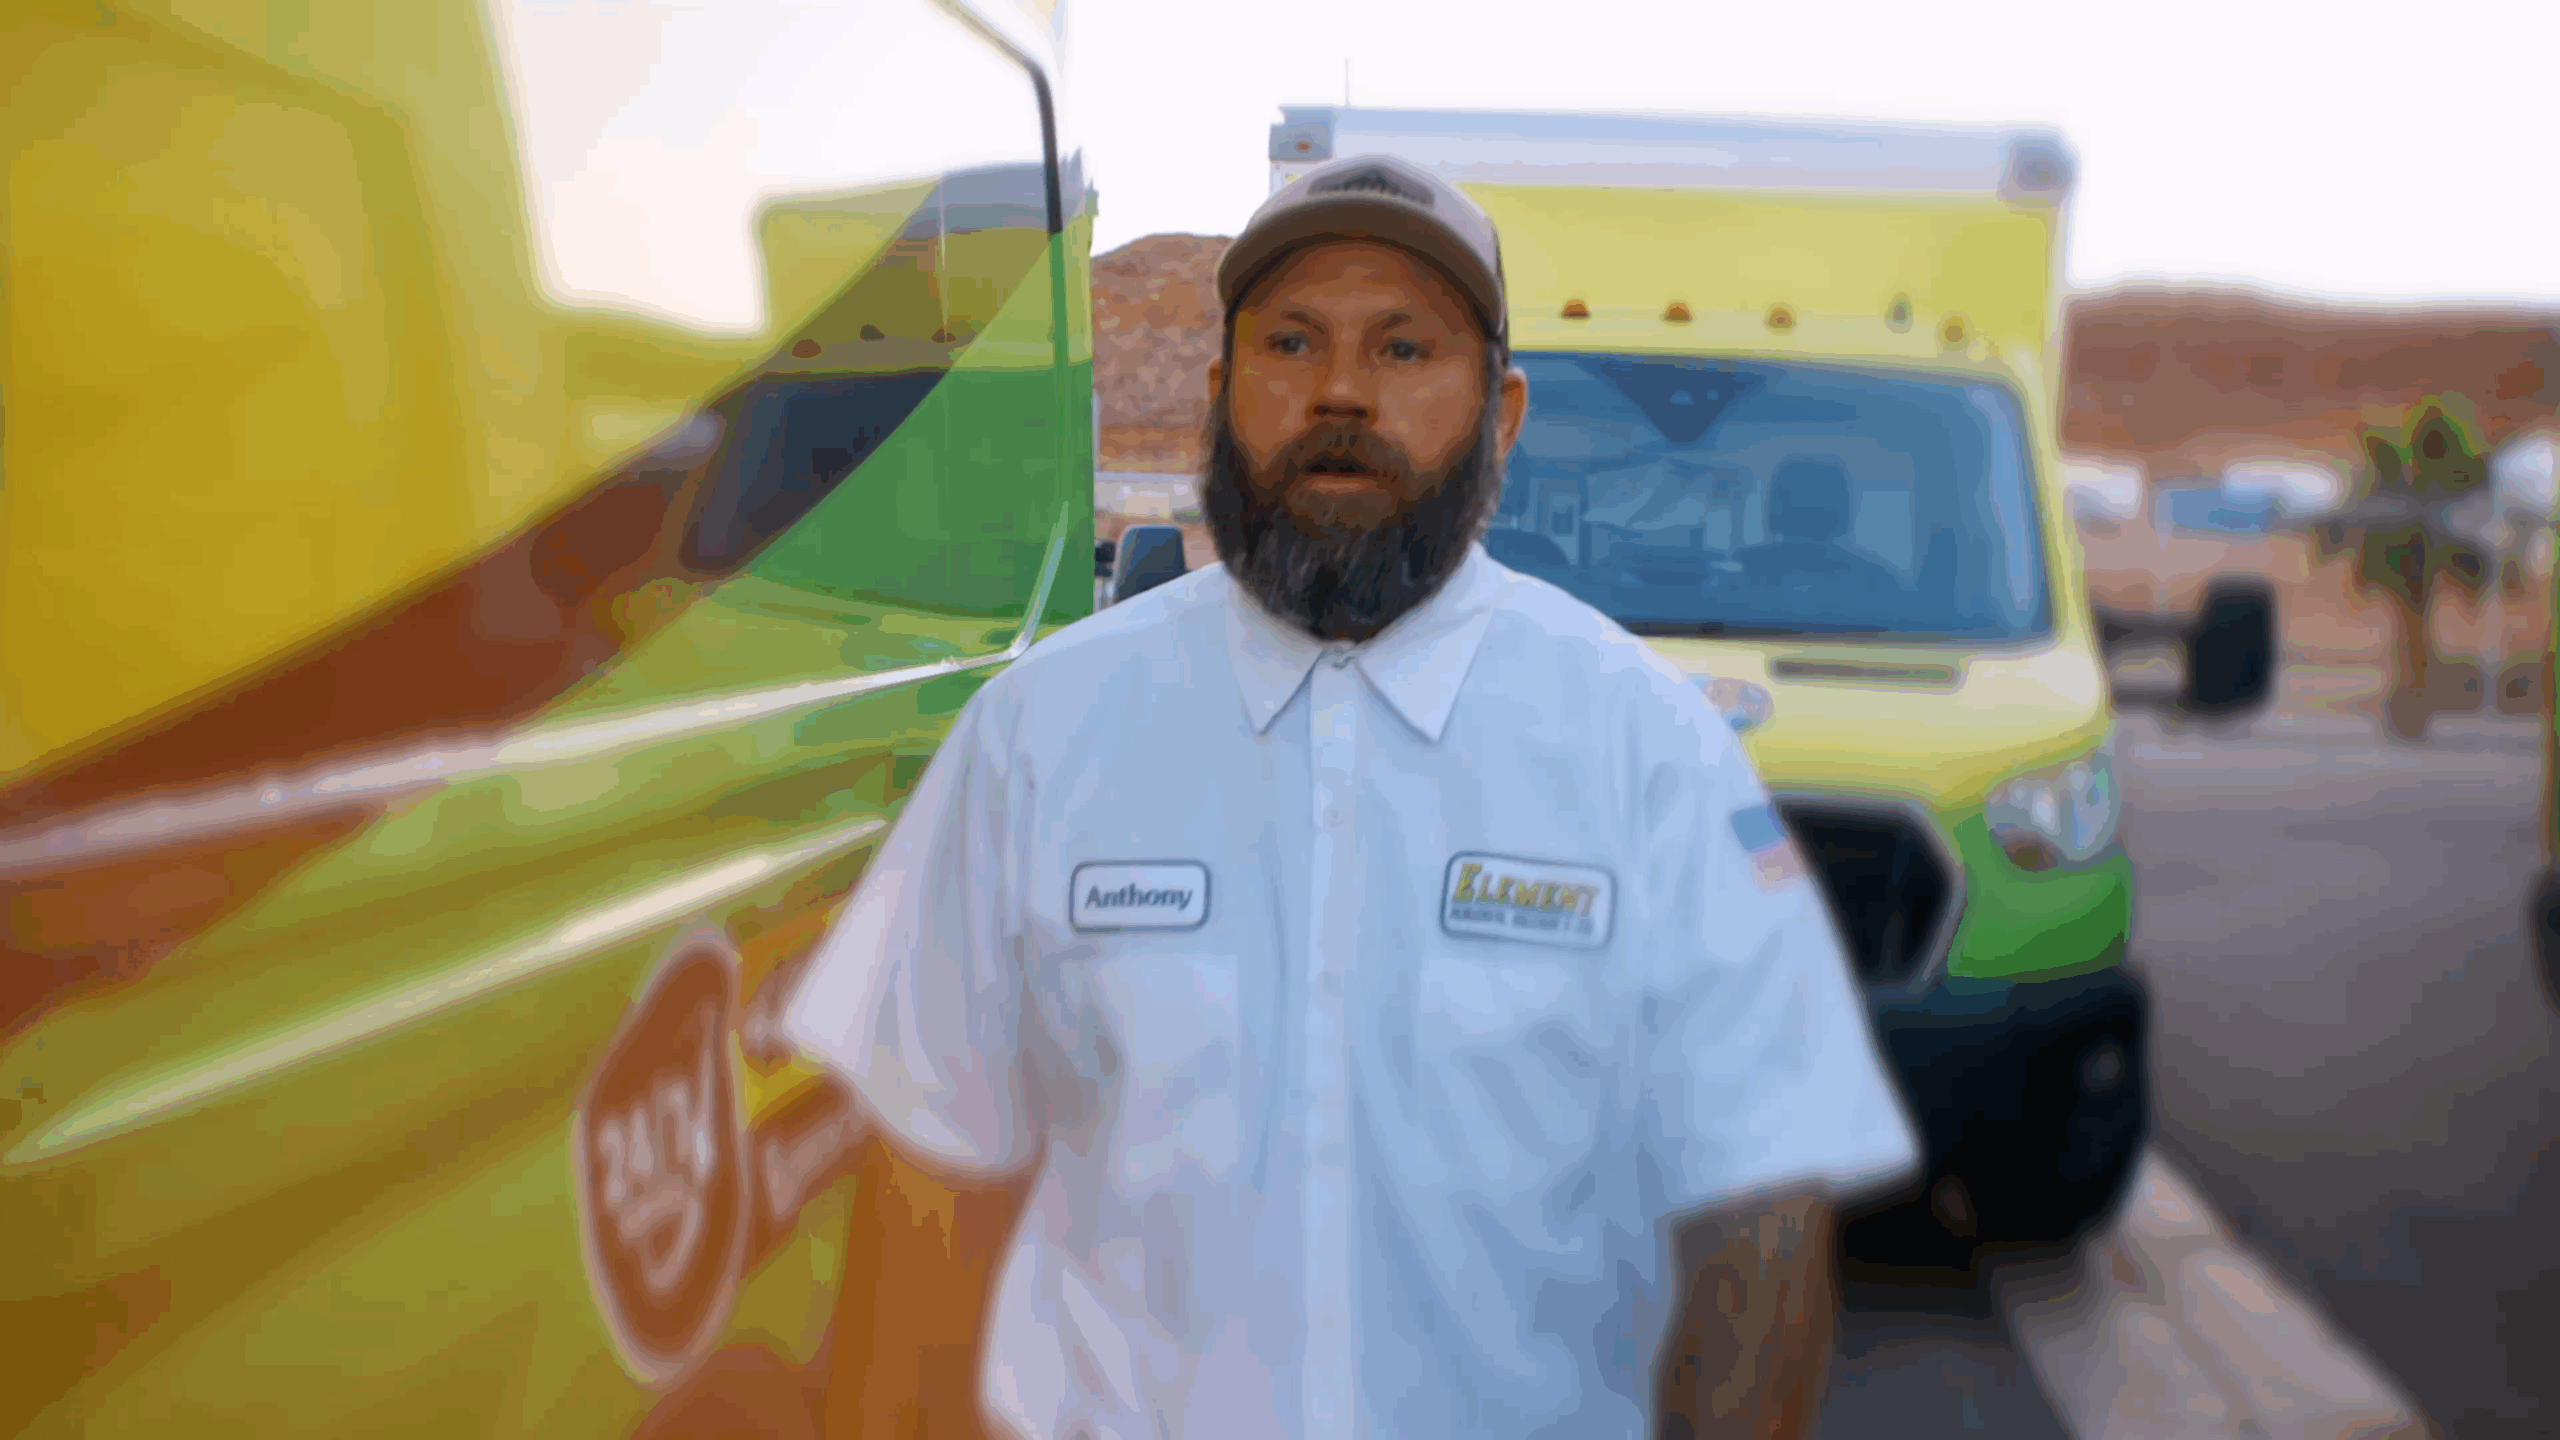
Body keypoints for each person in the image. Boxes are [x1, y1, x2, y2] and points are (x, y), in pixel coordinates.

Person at [784, 152, 1921, 1440]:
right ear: (1221, 396)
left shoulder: (1649, 753)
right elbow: (927, 1184)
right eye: (1290, 342)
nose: (1338, 392)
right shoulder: (1040, 735)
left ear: (1501, 415)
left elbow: (1760, 1215)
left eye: (1402, 350)